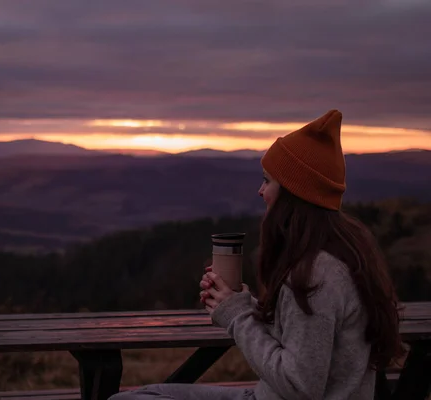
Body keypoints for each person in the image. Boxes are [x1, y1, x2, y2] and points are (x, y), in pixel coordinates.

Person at [108, 110, 404, 400]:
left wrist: (238, 317)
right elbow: (306, 343)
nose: (260, 190)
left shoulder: (313, 276)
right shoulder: (344, 255)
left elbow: (300, 386)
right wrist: (243, 305)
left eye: (267, 180)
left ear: (292, 193)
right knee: (146, 394)